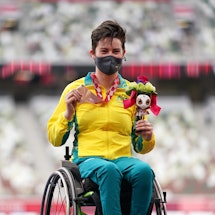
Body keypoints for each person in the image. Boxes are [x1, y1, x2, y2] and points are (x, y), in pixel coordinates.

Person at [47, 20, 155, 215]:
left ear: (124, 53)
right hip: (88, 160)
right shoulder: (75, 90)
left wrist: (147, 137)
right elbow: (55, 139)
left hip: (123, 159)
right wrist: (68, 114)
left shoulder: (133, 93)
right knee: (108, 170)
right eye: (104, 51)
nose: (110, 56)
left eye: (115, 51)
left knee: (144, 171)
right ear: (93, 54)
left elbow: (141, 146)